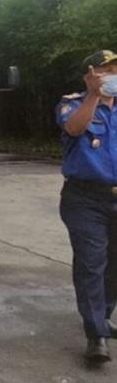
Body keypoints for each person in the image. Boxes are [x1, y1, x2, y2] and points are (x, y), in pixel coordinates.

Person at [56, 49, 117, 362]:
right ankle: (96, 334)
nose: (111, 74)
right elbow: (75, 129)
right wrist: (93, 97)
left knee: (114, 264)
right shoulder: (72, 103)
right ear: (88, 75)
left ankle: (103, 315)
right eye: (104, 70)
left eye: (115, 68)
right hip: (84, 200)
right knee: (92, 262)